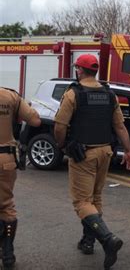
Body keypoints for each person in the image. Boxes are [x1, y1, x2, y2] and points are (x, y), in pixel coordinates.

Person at [54, 54, 130, 270]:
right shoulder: (110, 94)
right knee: (95, 198)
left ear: (79, 70)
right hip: (106, 152)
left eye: (76, 69)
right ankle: (88, 241)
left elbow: (60, 126)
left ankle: (107, 240)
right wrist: (128, 151)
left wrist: (62, 146)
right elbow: (119, 127)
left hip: (84, 155)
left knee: (81, 202)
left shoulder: (73, 94)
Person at [0, 87, 41, 269]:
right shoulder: (9, 95)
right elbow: (35, 120)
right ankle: (7, 254)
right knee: (6, 206)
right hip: (5, 159)